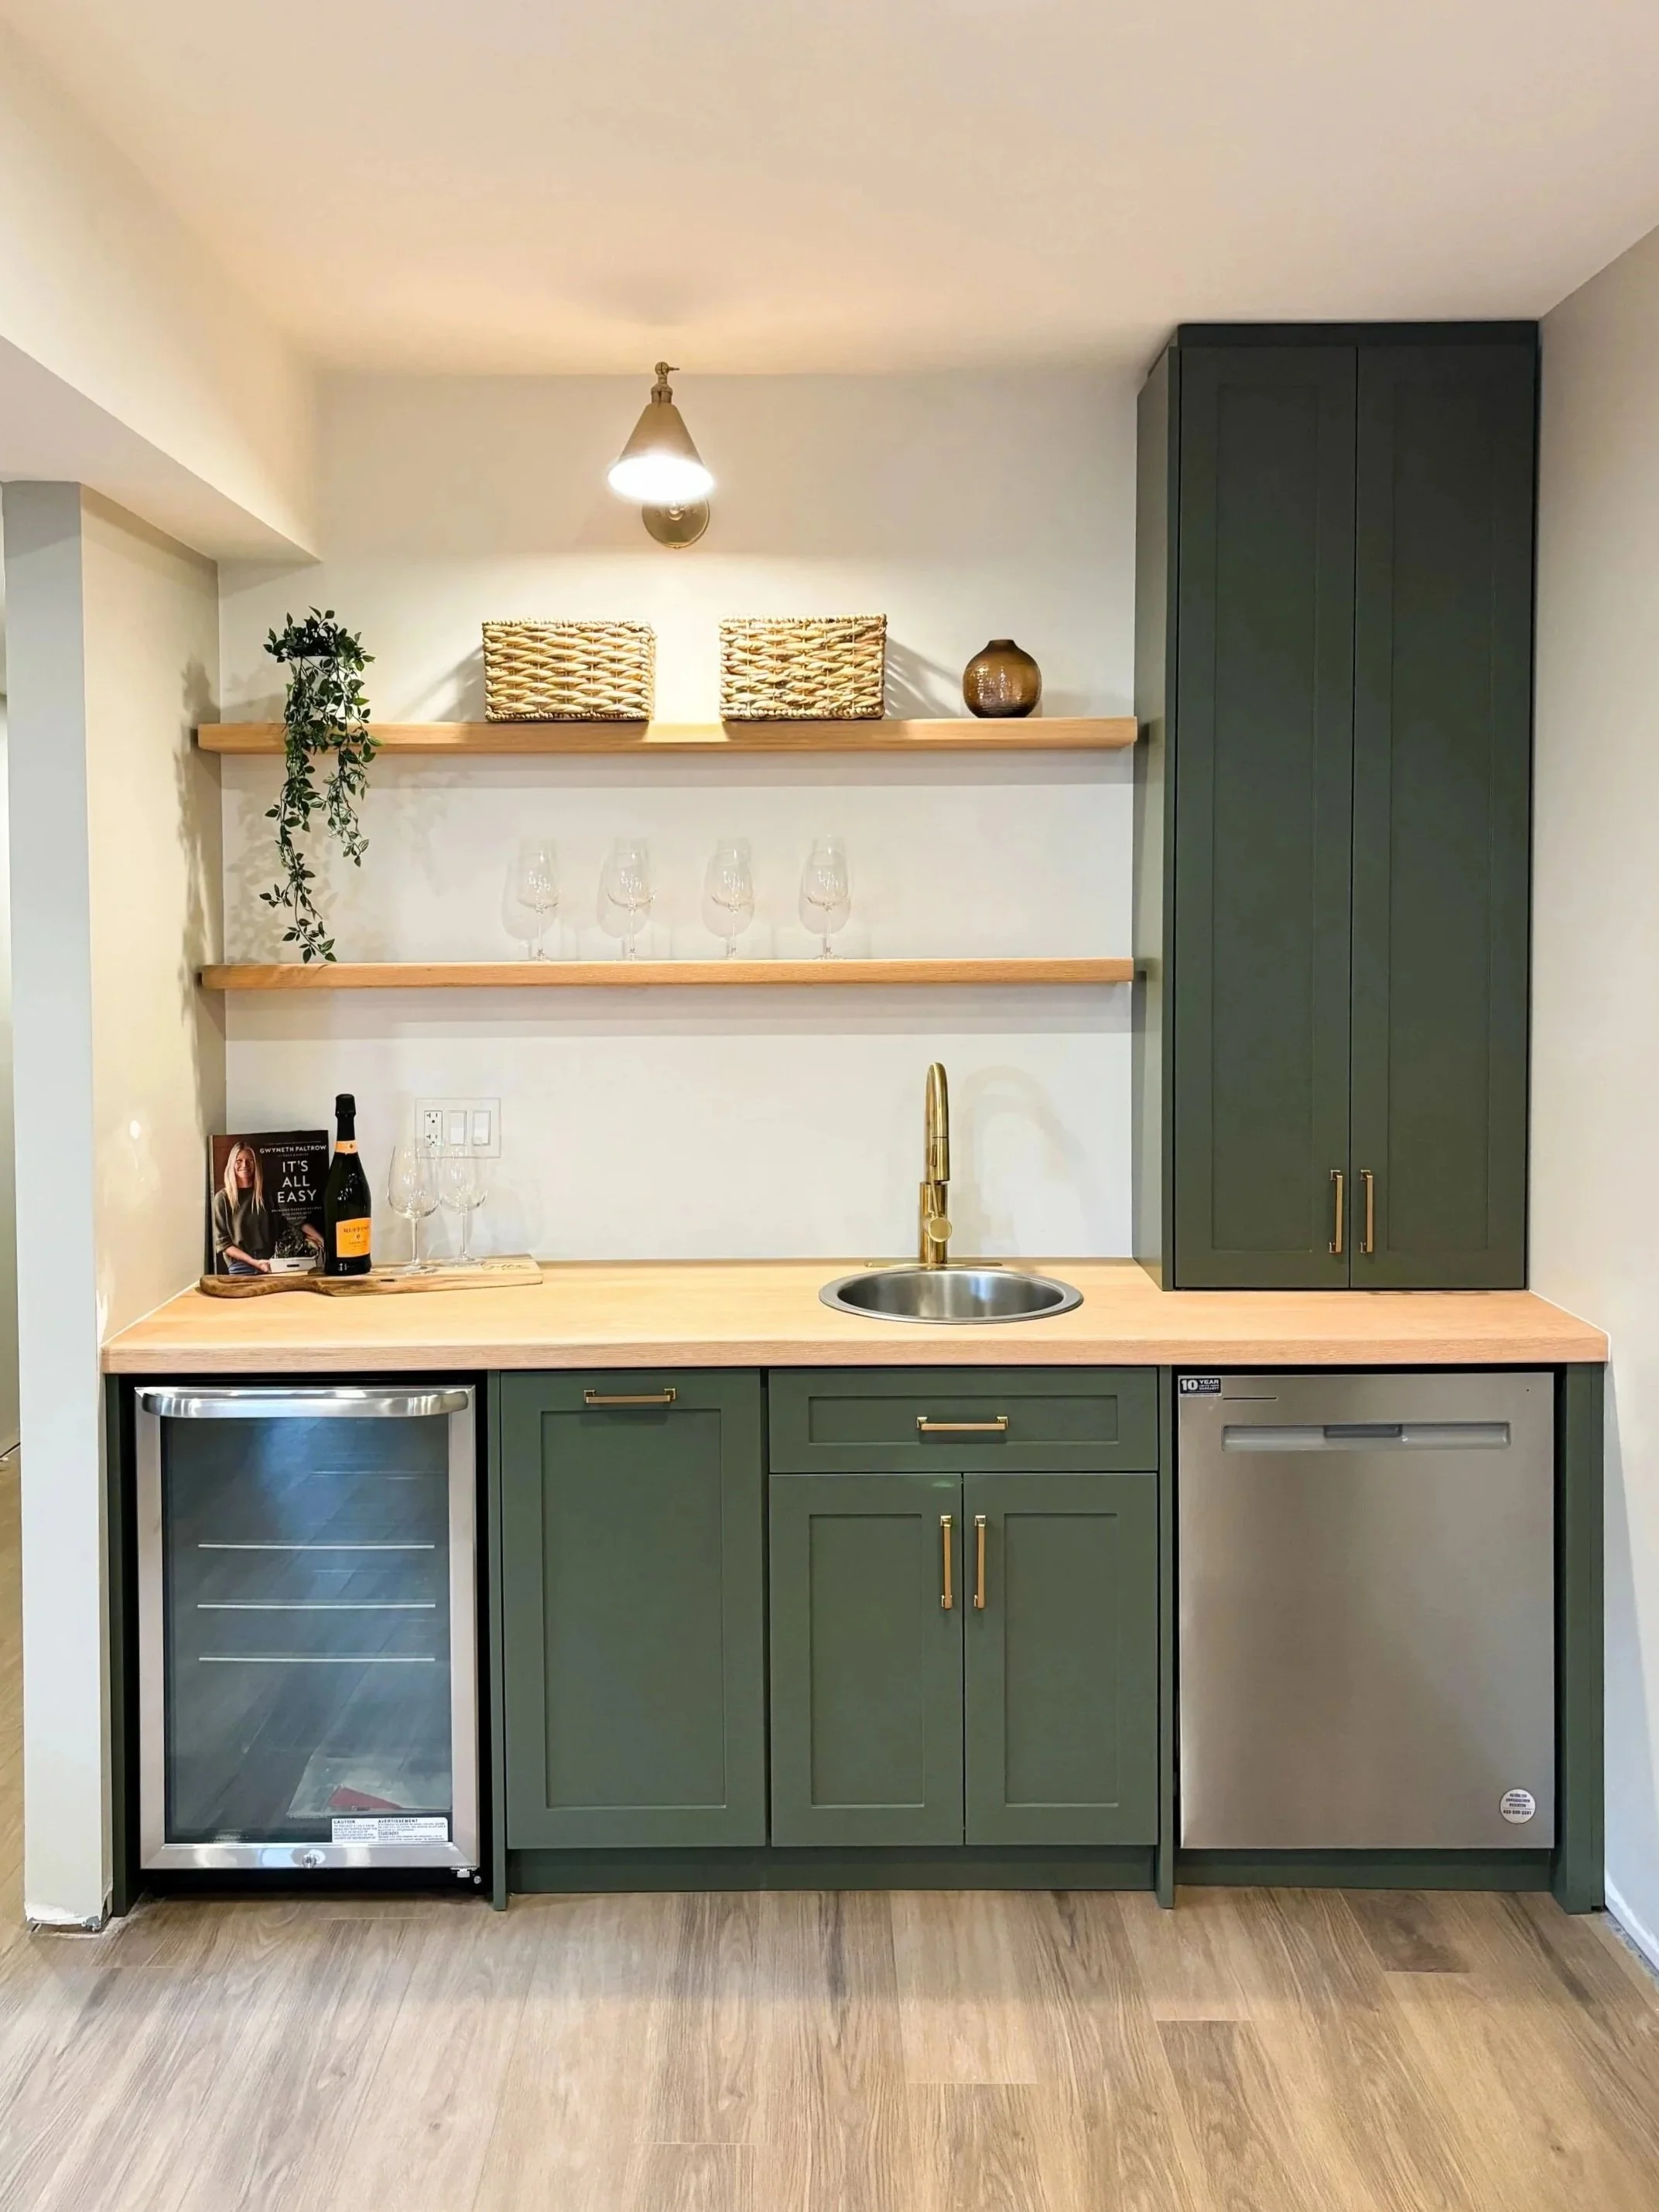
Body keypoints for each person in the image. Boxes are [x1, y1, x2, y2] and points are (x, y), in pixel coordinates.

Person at [212, 1142, 274, 1275]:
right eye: (239, 1161)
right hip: (240, 1266)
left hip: (271, 1263)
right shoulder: (222, 1199)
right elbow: (224, 1244)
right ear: (232, 1164)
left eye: (249, 1161)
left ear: (256, 1164)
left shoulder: (267, 1194)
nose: (244, 1165)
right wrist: (254, 1262)